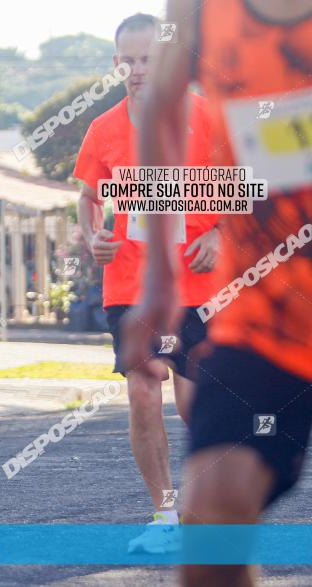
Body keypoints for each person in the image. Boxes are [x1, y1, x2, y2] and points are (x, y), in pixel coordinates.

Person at [122, 0, 312, 584]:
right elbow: (159, 107)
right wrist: (159, 278)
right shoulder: (196, 8)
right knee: (210, 512)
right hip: (265, 316)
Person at [73, 13, 220, 553]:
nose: (137, 70)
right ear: (117, 65)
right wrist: (93, 236)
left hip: (198, 287)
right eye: (128, 61)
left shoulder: (205, 118)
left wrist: (221, 236)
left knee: (194, 406)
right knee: (141, 392)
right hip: (130, 283)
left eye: (148, 60)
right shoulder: (103, 128)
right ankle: (164, 518)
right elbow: (89, 198)